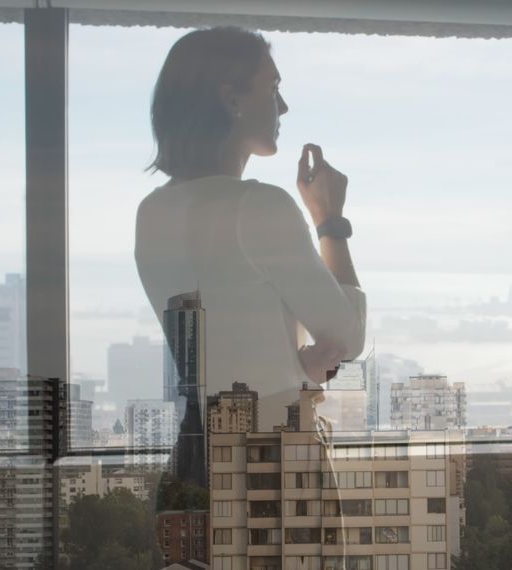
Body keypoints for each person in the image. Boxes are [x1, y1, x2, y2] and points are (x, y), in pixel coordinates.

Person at [134, 27, 366, 477]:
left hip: (196, 454)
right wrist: (330, 222)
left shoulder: (152, 212)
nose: (283, 106)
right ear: (232, 99)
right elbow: (348, 337)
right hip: (273, 456)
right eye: (273, 88)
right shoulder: (258, 206)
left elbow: (222, 352)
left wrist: (294, 368)